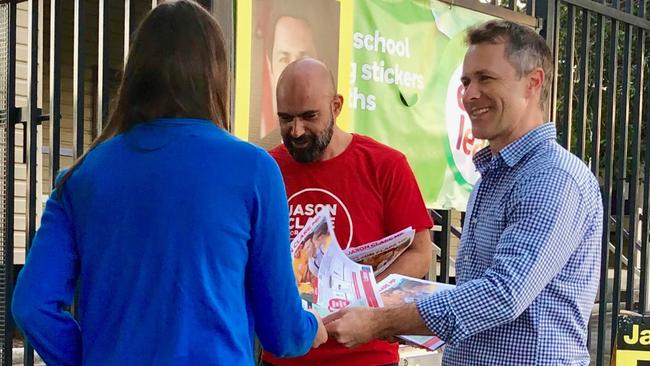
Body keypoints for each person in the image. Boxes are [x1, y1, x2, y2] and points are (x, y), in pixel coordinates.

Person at [11, 2, 327, 365]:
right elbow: (283, 333)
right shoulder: (255, 170)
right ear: (216, 74)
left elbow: (32, 305)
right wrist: (311, 326)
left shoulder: (81, 178)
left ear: (136, 75)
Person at [325, 20, 604, 366]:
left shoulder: (553, 178)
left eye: (485, 78)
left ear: (533, 83)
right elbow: (476, 298)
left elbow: (503, 294)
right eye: (466, 81)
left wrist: (380, 320)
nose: (470, 94)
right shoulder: (494, 174)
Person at [261, 58, 434, 366]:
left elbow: (420, 254)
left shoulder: (385, 165)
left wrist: (362, 297)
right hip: (286, 355)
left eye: (309, 116)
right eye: (286, 118)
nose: (296, 131)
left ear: (337, 106)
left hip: (366, 356)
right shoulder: (266, 168)